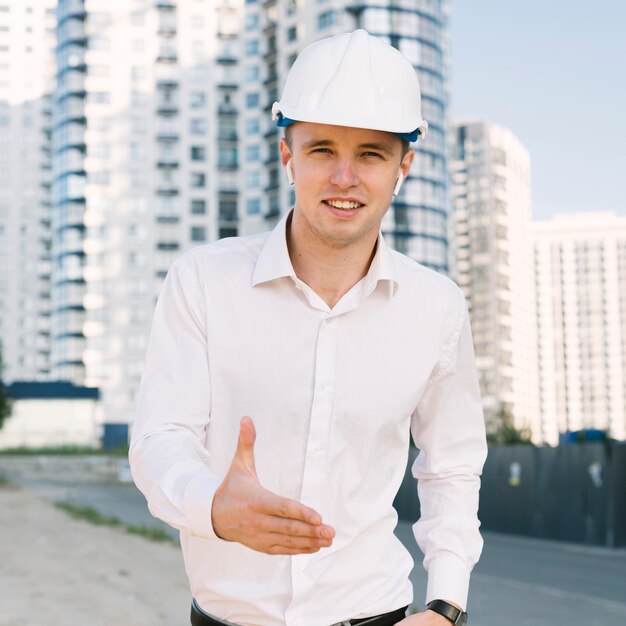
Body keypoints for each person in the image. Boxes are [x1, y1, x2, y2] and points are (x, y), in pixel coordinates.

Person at [130, 29, 487, 626]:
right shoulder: (202, 282)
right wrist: (212, 505)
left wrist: (447, 606)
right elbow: (160, 439)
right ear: (287, 156)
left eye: (371, 153)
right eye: (322, 149)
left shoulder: (437, 307)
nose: (344, 177)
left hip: (378, 613)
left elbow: (451, 465)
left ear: (405, 166)